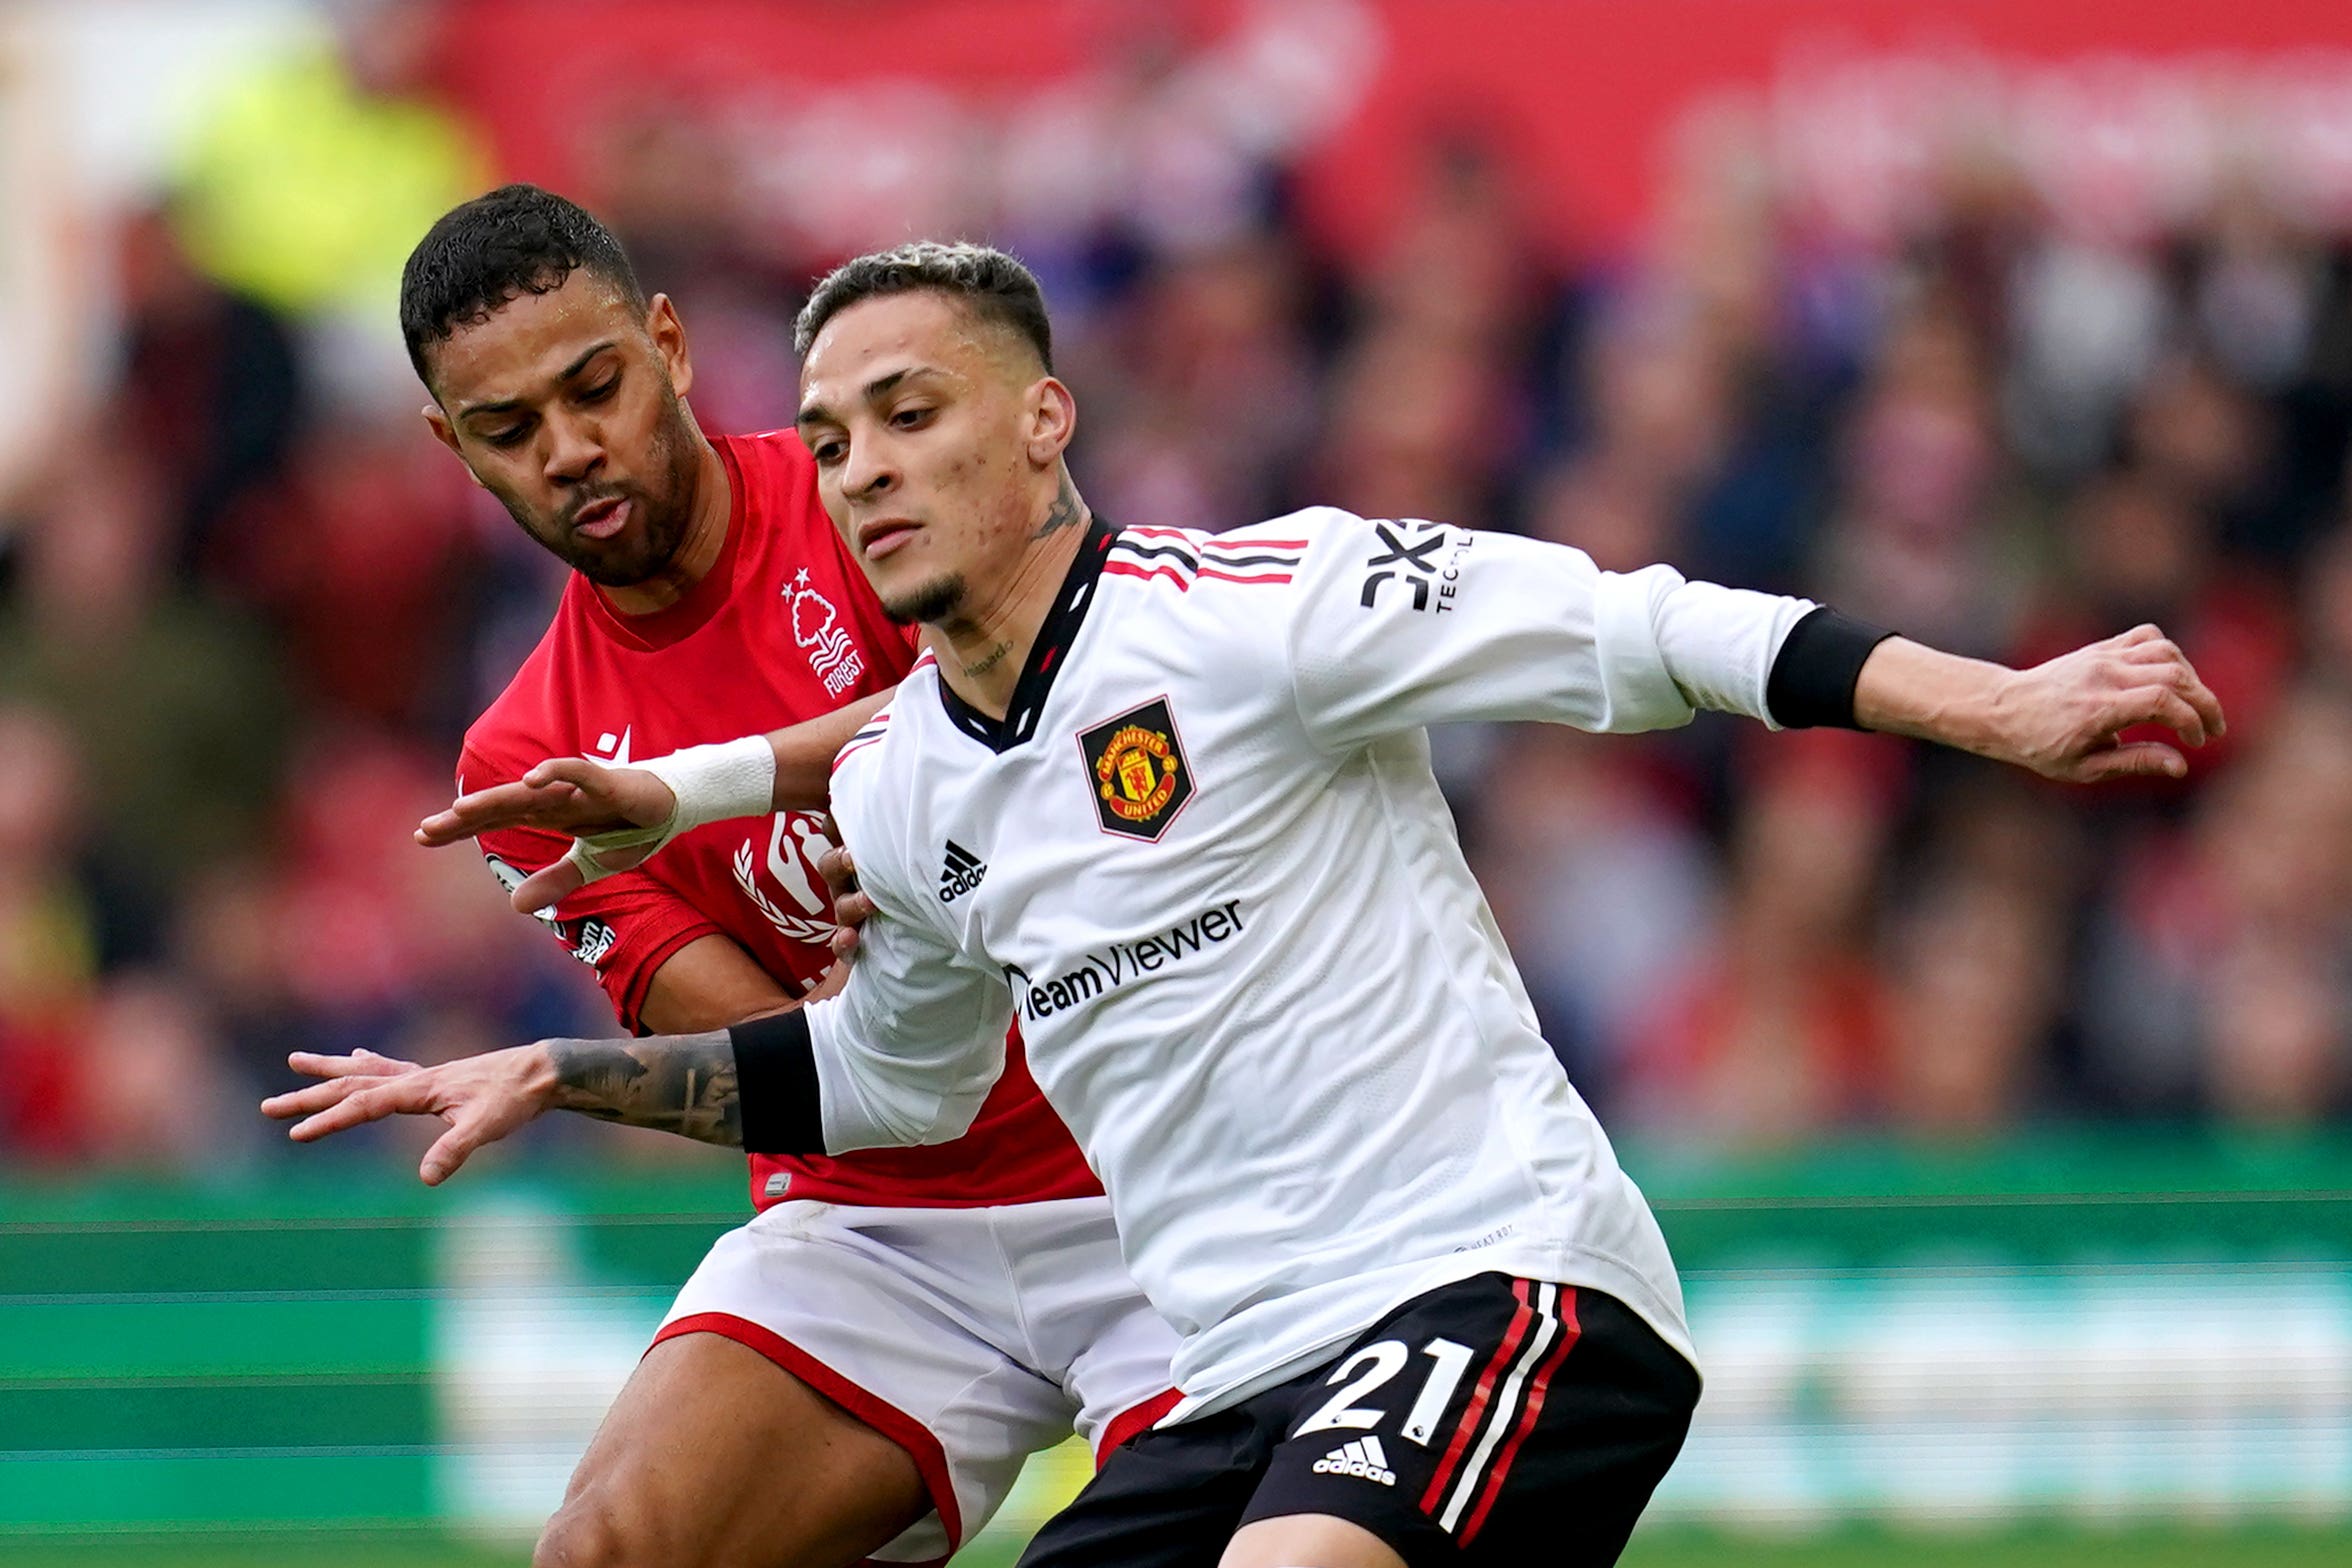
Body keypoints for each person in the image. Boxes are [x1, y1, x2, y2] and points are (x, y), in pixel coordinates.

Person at [312, 242, 2225, 1568]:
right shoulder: (879, 793)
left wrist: (2006, 697)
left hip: (1467, 1281)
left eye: (912, 418)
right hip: (1151, 1317)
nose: (869, 471)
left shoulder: (1262, 607)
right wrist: (558, 1073)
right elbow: (872, 1077)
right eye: (840, 439)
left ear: (1048, 421)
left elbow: (1646, 629)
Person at [264, 193, 1179, 1568]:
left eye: (597, 388)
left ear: (671, 348)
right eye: (511, 432)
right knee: (604, 1553)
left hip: (1153, 1160)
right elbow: (786, 1066)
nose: (572, 450)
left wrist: (931, 873)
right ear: (453, 450)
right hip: (883, 1224)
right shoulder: (524, 761)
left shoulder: (870, 490)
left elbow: (1094, 731)